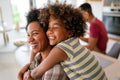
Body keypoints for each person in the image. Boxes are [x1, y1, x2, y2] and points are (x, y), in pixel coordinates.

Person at [29, 2, 108, 80]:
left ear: (70, 32)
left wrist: (27, 73)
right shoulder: (73, 42)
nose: (49, 31)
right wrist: (29, 65)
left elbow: (36, 73)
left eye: (55, 27)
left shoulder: (62, 48)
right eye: (48, 27)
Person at [18, 8, 69, 80]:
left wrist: (20, 75)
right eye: (28, 35)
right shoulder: (38, 57)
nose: (29, 40)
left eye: (35, 33)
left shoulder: (54, 70)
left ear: (48, 34)